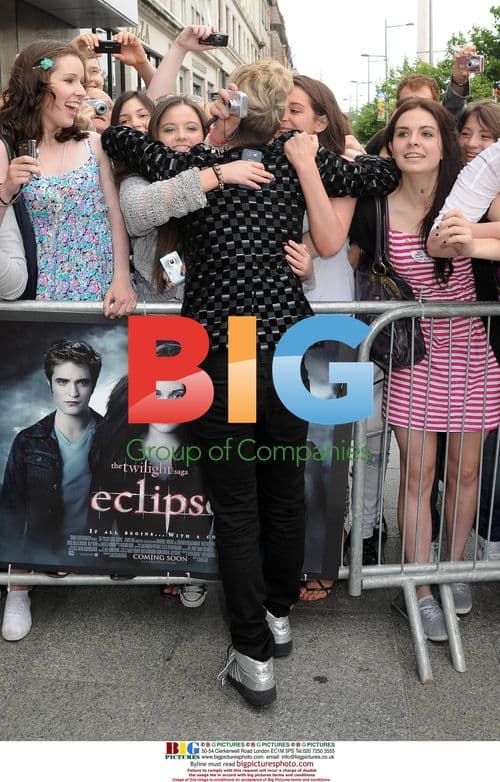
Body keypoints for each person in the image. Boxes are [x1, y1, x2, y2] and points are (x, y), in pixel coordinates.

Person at [102, 58, 399, 706]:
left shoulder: (194, 168)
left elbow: (116, 138)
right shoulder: (294, 166)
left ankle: (254, 658)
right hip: (287, 345)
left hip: (231, 350)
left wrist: (214, 161)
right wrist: (318, 150)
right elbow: (384, 170)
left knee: (238, 509)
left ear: (233, 107)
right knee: (282, 491)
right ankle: (277, 618)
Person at [351, 98, 500, 642]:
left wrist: (475, 243)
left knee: (464, 474)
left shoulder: (474, 200)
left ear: (445, 145)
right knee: (416, 476)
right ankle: (417, 586)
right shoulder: (374, 207)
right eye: (404, 134)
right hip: (413, 361)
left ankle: (453, 570)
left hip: (474, 357)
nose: (415, 142)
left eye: (427, 133)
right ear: (389, 145)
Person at [0, 40, 136, 318]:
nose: (81, 92)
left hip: (101, 289)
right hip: (40, 297)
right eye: (70, 80)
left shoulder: (93, 144)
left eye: (82, 82)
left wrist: (121, 277)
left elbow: (114, 215)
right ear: (36, 85)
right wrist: (7, 189)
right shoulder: (8, 149)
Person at [117, 94, 275, 303]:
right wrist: (217, 174)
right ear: (153, 137)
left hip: (232, 311)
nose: (181, 136)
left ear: (204, 133)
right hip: (162, 320)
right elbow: (139, 213)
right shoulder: (136, 180)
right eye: (169, 129)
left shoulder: (234, 174)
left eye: (191, 128)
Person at [0, 340, 102, 641]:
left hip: (94, 546)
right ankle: (17, 590)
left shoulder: (112, 436)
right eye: (63, 381)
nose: (73, 393)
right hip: (41, 545)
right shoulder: (29, 440)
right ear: (50, 384)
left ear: (93, 384)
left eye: (82, 382)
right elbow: (11, 511)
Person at [89, 361, 214, 607]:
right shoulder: (115, 445)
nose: (165, 406)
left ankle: (189, 574)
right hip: (133, 552)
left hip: (195, 554)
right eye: (156, 394)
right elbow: (99, 507)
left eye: (177, 395)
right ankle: (154, 565)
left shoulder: (205, 443)